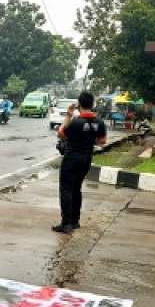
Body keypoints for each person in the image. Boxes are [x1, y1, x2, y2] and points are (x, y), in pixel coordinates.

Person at [52, 91, 107, 235]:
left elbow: (61, 133)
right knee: (77, 189)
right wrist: (89, 140)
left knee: (66, 190)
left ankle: (66, 224)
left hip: (71, 159)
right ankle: (75, 221)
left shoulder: (76, 122)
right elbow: (102, 141)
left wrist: (69, 115)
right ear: (92, 104)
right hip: (86, 159)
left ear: (79, 104)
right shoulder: (99, 122)